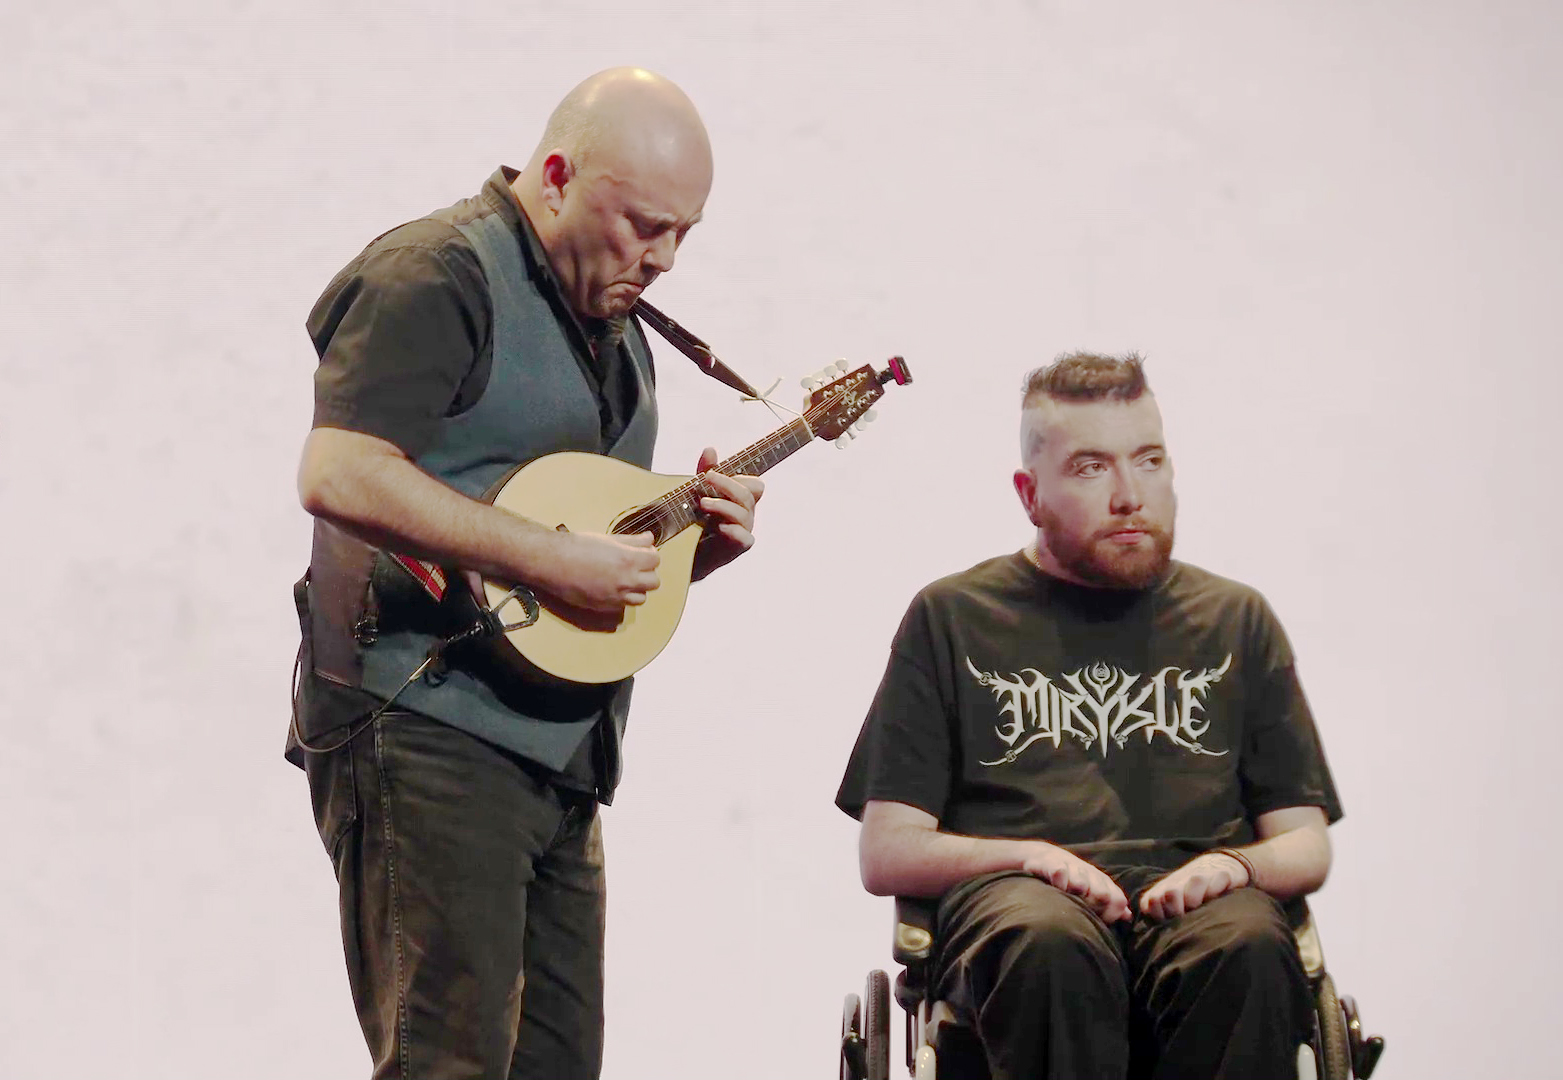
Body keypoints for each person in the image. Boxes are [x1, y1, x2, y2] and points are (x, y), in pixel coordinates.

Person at [289, 68, 764, 1080]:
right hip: (424, 722)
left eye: (684, 232)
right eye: (642, 224)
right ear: (555, 176)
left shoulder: (616, 321)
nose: (664, 258)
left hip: (556, 755)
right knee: (448, 1063)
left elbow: (571, 563)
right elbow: (339, 471)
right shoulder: (436, 275)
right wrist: (548, 555)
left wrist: (691, 554)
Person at [835, 352, 1342, 1080]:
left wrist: (1232, 866)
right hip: (1020, 910)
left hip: (1199, 907)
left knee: (1247, 946)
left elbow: (1304, 845)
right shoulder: (952, 618)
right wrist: (1028, 857)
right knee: (1044, 941)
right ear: (1028, 493)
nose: (1130, 495)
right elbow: (887, 853)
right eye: (1090, 468)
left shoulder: (1235, 619)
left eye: (1149, 460)